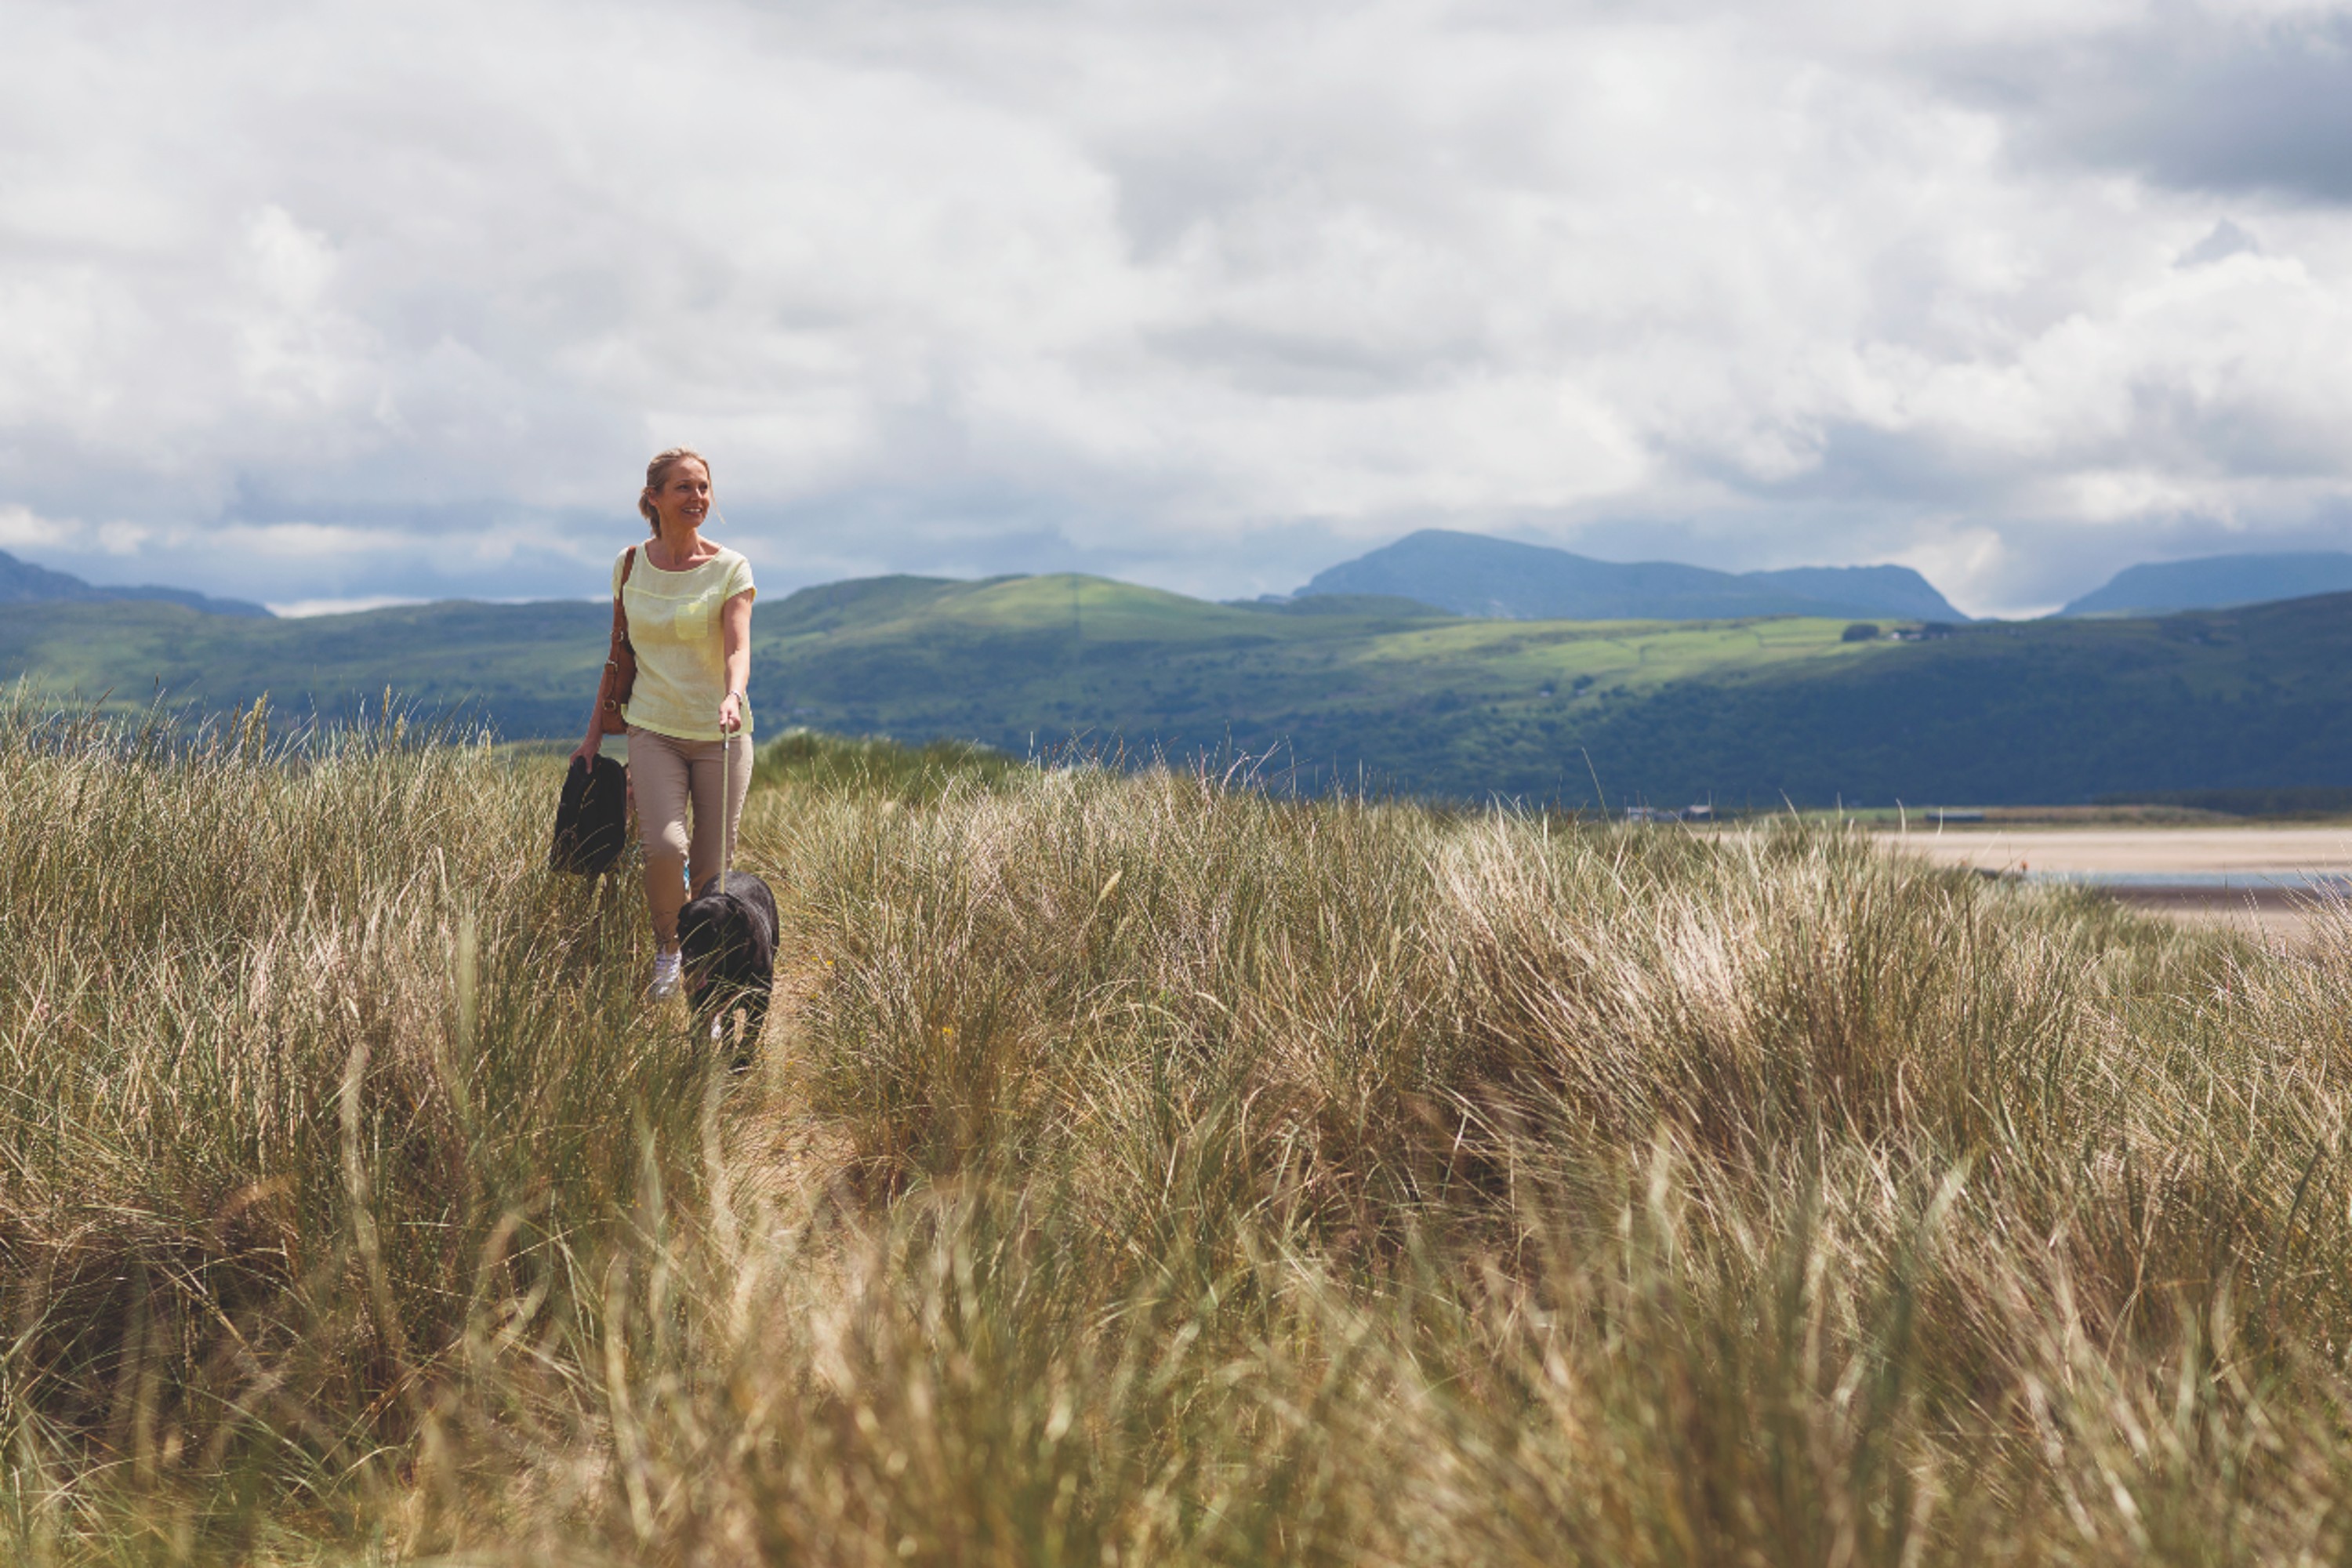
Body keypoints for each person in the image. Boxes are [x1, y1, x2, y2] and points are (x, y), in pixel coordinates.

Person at [574, 447, 757, 998]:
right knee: (664, 849)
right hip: (651, 728)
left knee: (710, 867)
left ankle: (707, 978)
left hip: (722, 735)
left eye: (703, 487)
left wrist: (732, 694)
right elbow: (617, 652)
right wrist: (591, 736)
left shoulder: (731, 568)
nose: (697, 497)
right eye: (684, 487)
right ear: (653, 498)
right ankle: (668, 951)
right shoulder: (629, 564)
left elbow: (737, 646)